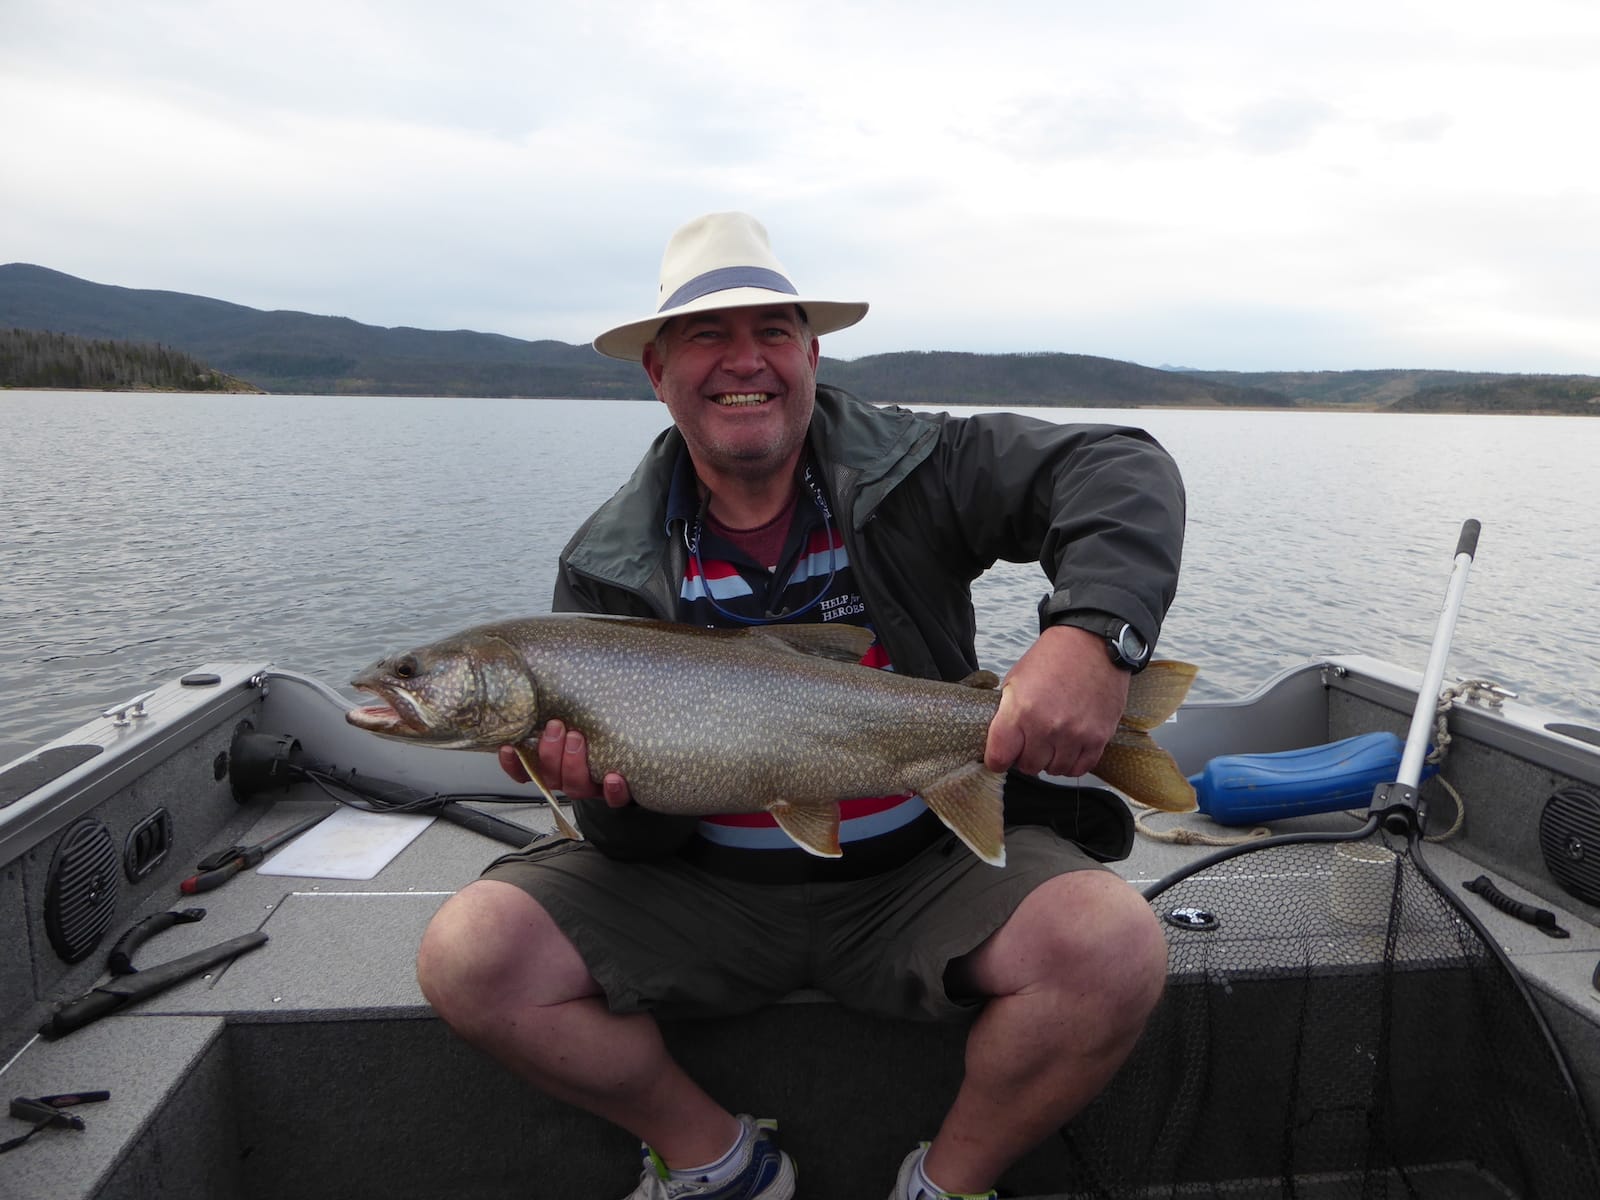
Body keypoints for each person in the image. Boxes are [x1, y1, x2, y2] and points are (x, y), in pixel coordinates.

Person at [415, 212, 1186, 1200]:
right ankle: (720, 1164)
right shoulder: (604, 563)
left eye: (772, 333)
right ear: (657, 373)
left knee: (1114, 949)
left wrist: (1095, 638)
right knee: (470, 956)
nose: (746, 361)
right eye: (707, 337)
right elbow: (628, 845)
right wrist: (603, 797)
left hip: (920, 868)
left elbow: (1121, 467)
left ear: (812, 355)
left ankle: (947, 1185)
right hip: (698, 890)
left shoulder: (920, 468)